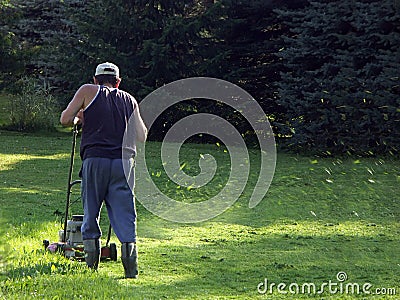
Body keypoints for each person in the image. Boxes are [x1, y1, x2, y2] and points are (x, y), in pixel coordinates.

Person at [60, 62, 147, 278]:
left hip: (95, 159)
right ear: (118, 82)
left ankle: (91, 267)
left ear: (95, 79)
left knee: (91, 210)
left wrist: (81, 117)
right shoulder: (129, 99)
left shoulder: (87, 91)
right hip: (124, 163)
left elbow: (65, 120)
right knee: (126, 214)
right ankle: (130, 270)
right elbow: (141, 135)